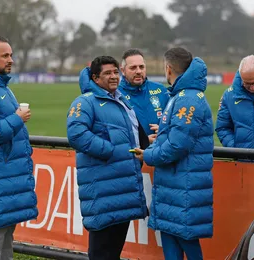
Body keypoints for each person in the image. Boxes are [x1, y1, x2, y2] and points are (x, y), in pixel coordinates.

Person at [135, 47, 214, 260]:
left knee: (186, 240)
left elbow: (177, 146)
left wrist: (148, 155)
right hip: (174, 186)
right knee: (171, 239)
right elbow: (176, 136)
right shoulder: (179, 96)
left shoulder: (188, 99)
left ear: (168, 68)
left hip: (184, 185)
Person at [67, 55, 148, 260]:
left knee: (113, 251)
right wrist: (110, 151)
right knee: (101, 252)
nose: (114, 77)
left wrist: (144, 147)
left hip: (123, 188)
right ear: (95, 78)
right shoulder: (85, 102)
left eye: (115, 72)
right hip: (103, 189)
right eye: (107, 73)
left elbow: (133, 134)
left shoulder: (121, 99)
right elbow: (76, 135)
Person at [0, 36, 38, 259]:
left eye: (11, 54)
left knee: (6, 247)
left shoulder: (3, 88)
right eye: (4, 55)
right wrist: (17, 119)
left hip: (5, 186)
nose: (10, 59)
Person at [118, 48, 169, 143]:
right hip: (133, 156)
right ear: (123, 70)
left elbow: (175, 121)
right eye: (133, 68)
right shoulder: (116, 94)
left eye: (141, 67)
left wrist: (165, 130)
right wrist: (143, 141)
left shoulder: (160, 90)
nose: (138, 71)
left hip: (161, 154)